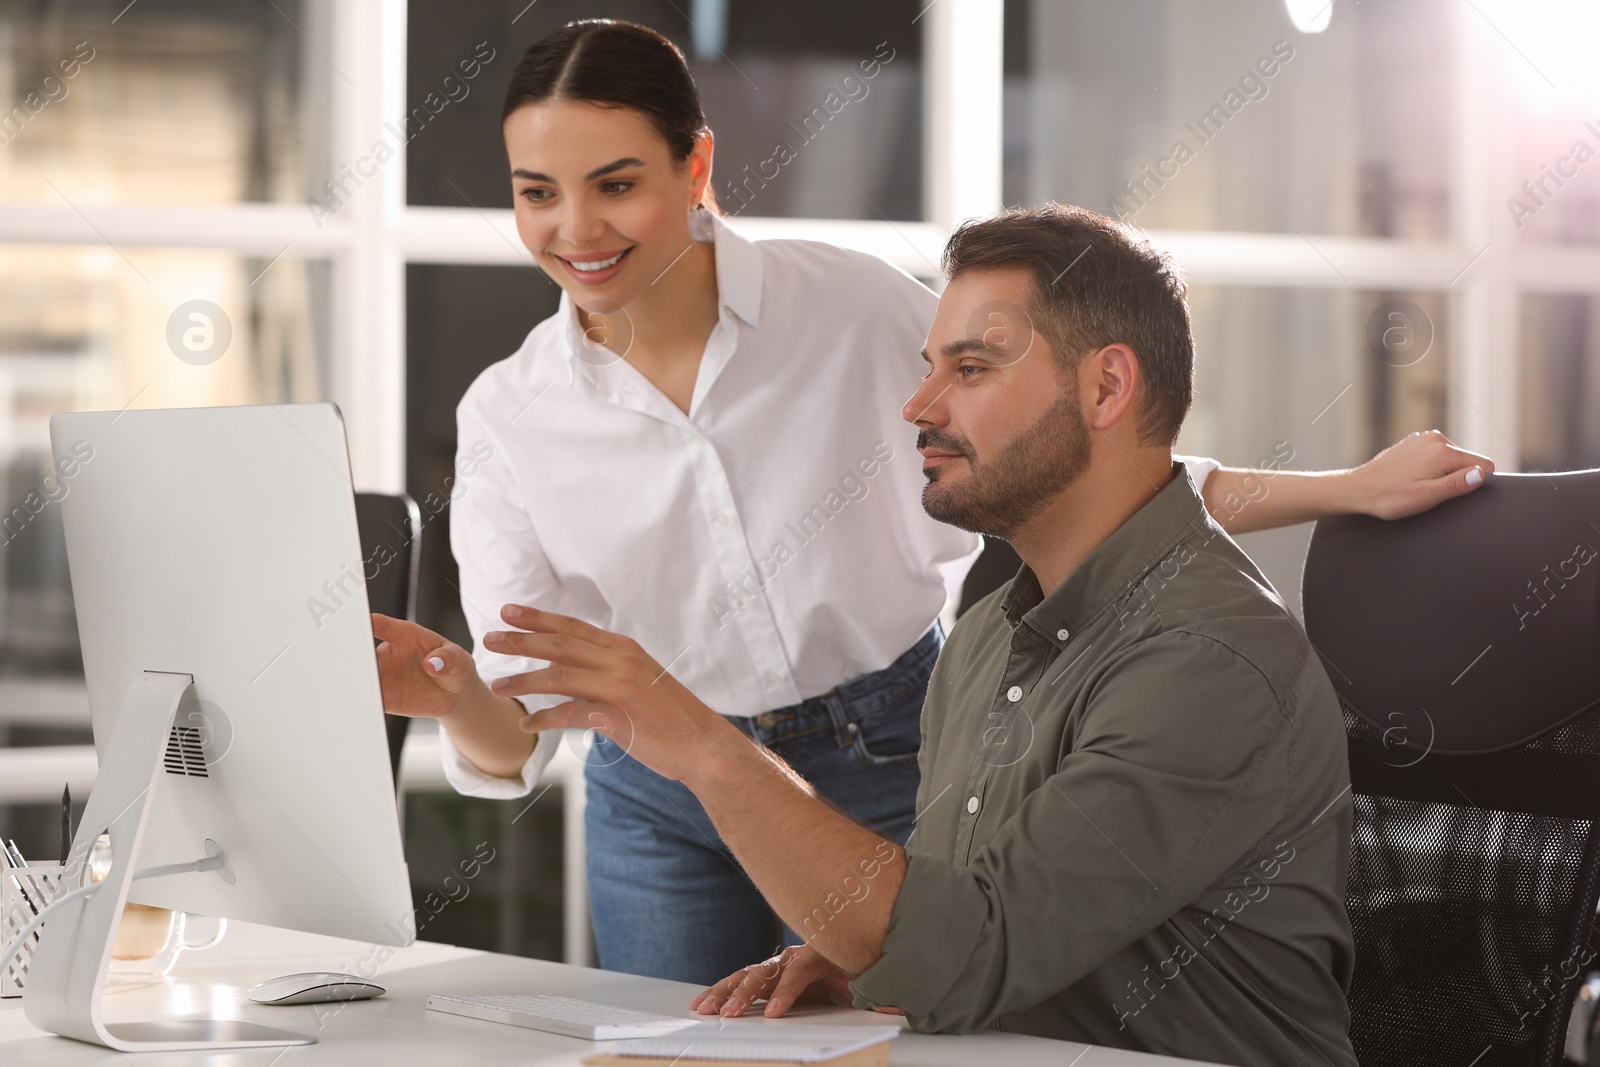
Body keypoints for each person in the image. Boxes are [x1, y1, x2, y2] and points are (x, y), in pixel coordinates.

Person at [372, 18, 1492, 988]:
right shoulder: (510, 415)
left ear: (695, 165)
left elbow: (1080, 470)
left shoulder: (852, 309)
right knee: (687, 1042)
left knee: (925, 1009)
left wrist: (1344, 488)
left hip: (895, 743)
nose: (577, 229)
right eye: (537, 193)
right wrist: (456, 690)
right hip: (661, 793)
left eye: (616, 182)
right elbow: (516, 727)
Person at [474, 203, 1366, 1065]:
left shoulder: (1207, 661)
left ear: (1105, 387)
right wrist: (865, 961)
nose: (918, 405)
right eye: (929, 366)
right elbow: (963, 924)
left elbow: (965, 960)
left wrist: (701, 745)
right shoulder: (983, 638)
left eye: (969, 369)